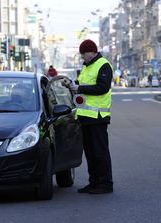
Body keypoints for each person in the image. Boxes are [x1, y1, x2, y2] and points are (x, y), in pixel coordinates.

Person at [63, 39, 113, 194]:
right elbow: (80, 84)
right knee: (90, 153)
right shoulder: (86, 67)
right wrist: (71, 84)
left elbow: (102, 88)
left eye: (83, 54)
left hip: (98, 116)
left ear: (91, 52)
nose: (82, 57)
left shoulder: (103, 65)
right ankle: (94, 182)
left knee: (100, 152)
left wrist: (80, 88)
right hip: (85, 116)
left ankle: (105, 184)